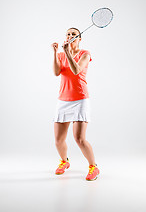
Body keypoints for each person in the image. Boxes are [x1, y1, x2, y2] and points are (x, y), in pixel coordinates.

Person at [51, 28, 99, 181]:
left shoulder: (85, 53)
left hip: (80, 99)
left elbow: (76, 70)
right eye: (68, 34)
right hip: (63, 99)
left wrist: (67, 53)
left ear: (79, 39)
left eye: (74, 34)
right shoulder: (60, 54)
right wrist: (55, 53)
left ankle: (93, 167)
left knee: (79, 139)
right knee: (58, 140)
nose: (70, 36)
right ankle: (64, 162)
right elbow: (56, 72)